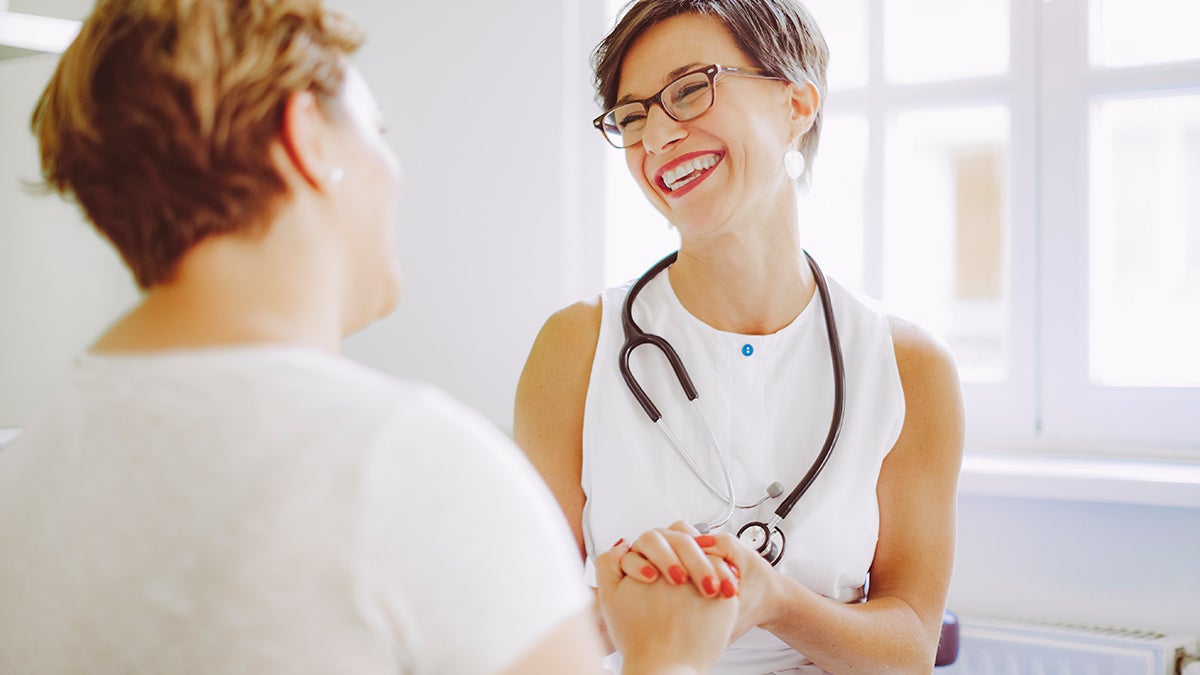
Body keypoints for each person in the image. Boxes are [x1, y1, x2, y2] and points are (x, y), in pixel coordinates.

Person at [0, 1, 738, 673]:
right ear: (307, 136)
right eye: (375, 130)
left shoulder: (20, 471)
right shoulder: (410, 467)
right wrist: (665, 655)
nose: (393, 171)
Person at [514, 0, 966, 672]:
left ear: (797, 104)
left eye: (691, 89)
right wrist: (626, 606)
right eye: (631, 116)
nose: (656, 137)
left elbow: (909, 648)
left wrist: (773, 598)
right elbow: (523, 630)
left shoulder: (908, 367)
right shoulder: (576, 345)